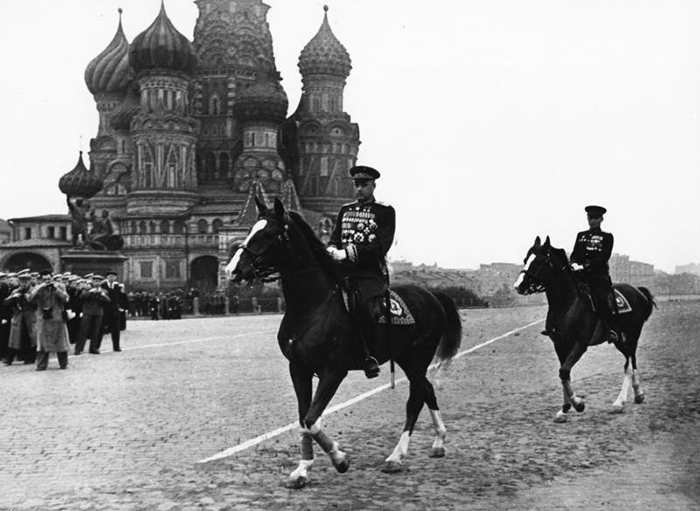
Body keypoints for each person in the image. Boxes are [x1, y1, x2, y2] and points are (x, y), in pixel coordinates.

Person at [327, 165, 396, 378]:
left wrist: (347, 253)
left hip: (369, 273)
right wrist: (331, 248)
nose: (359, 189)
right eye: (356, 184)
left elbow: (381, 246)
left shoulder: (384, 211)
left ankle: (368, 355)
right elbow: (335, 238)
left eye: (364, 185)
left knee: (364, 307)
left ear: (373, 185)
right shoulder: (345, 210)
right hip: (343, 271)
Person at [570, 205, 618, 343]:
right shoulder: (581, 236)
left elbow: (603, 258)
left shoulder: (607, 237)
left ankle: (611, 330)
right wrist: (573, 263)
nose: (593, 221)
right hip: (580, 276)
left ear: (601, 219)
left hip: (597, 277)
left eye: (596, 218)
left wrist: (584, 266)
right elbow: (574, 254)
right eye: (590, 218)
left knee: (602, 300)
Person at [27, 271, 70, 370]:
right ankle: (41, 365)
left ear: (52, 278)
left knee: (61, 341)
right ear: (41, 279)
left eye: (49, 279)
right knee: (42, 342)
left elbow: (66, 299)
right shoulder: (38, 288)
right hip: (43, 318)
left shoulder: (60, 286)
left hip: (57, 317)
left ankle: (63, 364)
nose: (47, 281)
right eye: (45, 279)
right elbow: (30, 299)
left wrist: (56, 290)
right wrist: (39, 289)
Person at [3, 270, 38, 365]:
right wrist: (13, 297)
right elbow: (5, 302)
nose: (23, 284)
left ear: (29, 282)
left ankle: (31, 357)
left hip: (31, 315)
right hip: (18, 315)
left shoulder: (34, 290)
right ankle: (10, 358)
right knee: (14, 337)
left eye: (26, 282)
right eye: (22, 282)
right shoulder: (16, 291)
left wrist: (28, 298)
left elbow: (38, 303)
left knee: (31, 337)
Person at [75, 275, 110, 355]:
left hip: (98, 313)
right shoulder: (87, 289)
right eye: (95, 281)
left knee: (96, 331)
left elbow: (108, 301)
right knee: (83, 331)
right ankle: (79, 348)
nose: (97, 283)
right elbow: (81, 297)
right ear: (92, 282)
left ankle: (93, 348)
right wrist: (90, 292)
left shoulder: (104, 291)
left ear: (101, 282)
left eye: (99, 281)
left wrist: (102, 295)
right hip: (88, 312)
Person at [100, 270, 125, 352]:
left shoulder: (117, 286)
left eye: (113, 277)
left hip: (115, 311)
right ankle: (96, 346)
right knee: (101, 329)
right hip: (104, 310)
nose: (112, 278)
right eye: (110, 276)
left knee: (116, 330)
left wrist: (121, 307)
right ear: (107, 277)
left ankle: (116, 347)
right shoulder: (102, 286)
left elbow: (121, 298)